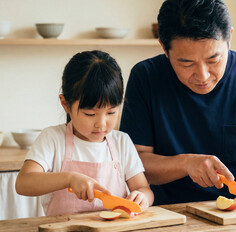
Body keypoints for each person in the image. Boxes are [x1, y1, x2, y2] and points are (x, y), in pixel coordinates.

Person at [120, 0, 236, 206]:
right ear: (163, 46)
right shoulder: (146, 77)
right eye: (186, 63)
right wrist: (185, 164)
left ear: (229, 38)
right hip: (170, 212)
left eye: (213, 60)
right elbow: (135, 162)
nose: (203, 75)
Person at [15, 50, 154, 216]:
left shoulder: (122, 142)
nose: (101, 124)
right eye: (90, 114)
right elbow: (23, 183)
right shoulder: (52, 139)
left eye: (111, 112)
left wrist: (142, 197)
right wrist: (69, 178)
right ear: (65, 104)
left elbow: (142, 188)